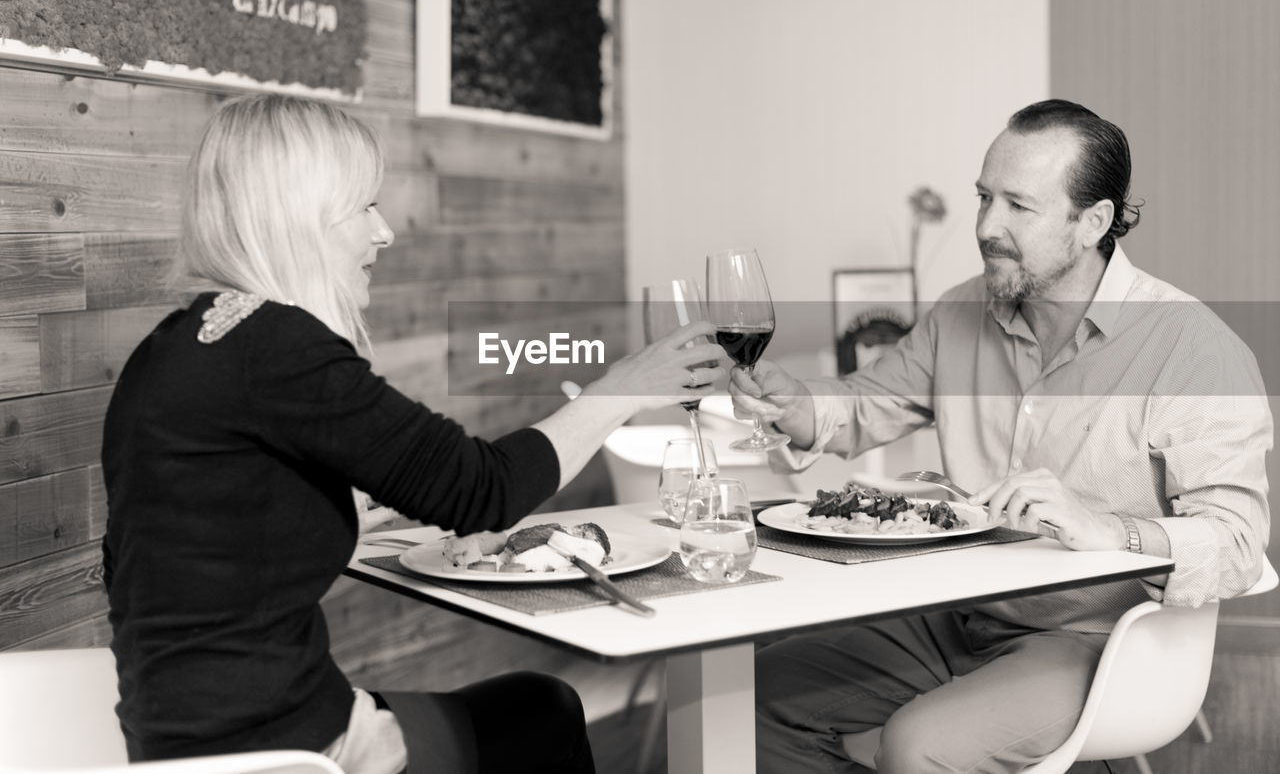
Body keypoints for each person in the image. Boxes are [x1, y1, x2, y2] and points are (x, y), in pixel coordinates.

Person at [100, 94, 728, 774]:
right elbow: (484, 490)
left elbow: (187, 542)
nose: (385, 232)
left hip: (183, 741)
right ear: (301, 217)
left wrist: (365, 510)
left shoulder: (176, 344)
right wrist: (627, 388)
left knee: (530, 707)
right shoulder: (277, 345)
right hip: (278, 749)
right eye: (364, 206)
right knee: (543, 711)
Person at [731, 99, 1272, 772]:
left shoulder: (1191, 348)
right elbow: (865, 404)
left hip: (1098, 642)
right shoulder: (961, 311)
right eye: (985, 197)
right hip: (952, 611)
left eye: (1020, 206)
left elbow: (1239, 542)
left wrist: (1112, 531)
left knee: (918, 746)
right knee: (753, 699)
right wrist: (796, 405)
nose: (987, 226)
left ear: (1092, 222)